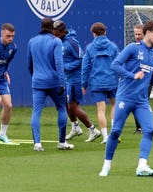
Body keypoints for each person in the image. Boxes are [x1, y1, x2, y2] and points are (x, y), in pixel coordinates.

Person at [99, 20, 153, 177]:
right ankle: (106, 166)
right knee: (115, 132)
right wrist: (132, 75)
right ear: (148, 33)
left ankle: (142, 166)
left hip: (141, 101)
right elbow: (115, 65)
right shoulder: (132, 48)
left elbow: (150, 77)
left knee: (150, 130)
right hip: (125, 98)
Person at [26, 17, 74, 152]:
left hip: (38, 82)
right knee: (62, 108)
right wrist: (62, 82)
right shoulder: (56, 41)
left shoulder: (32, 41)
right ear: (52, 27)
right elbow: (59, 63)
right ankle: (61, 142)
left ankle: (37, 144)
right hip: (54, 82)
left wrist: (35, 77)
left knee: (36, 112)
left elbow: (29, 64)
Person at [52, 20, 101, 143]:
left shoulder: (71, 42)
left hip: (75, 79)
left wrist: (66, 66)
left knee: (73, 106)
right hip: (67, 79)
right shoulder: (60, 42)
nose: (55, 35)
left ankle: (93, 129)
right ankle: (75, 127)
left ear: (62, 31)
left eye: (56, 33)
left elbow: (81, 59)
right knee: (67, 104)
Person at [81, 22, 119, 143]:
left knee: (101, 110)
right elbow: (119, 63)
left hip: (97, 82)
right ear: (105, 32)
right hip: (112, 81)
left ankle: (105, 137)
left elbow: (85, 67)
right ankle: (114, 134)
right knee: (114, 105)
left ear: (93, 33)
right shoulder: (113, 47)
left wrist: (84, 84)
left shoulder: (90, 48)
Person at [132, 23, 153, 134]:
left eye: (139, 34)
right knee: (135, 102)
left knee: (142, 102)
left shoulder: (152, 50)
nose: (137, 36)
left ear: (145, 34)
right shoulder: (133, 47)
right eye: (135, 34)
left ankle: (142, 127)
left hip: (147, 80)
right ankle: (140, 127)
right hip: (134, 80)